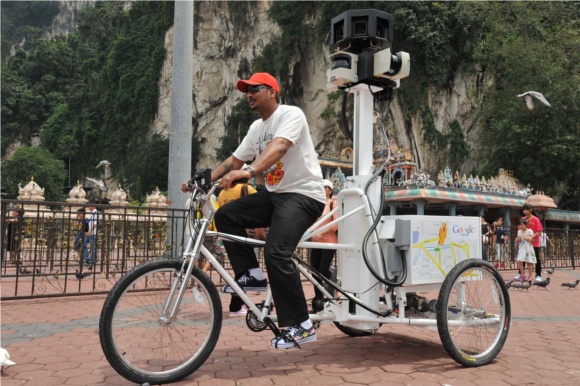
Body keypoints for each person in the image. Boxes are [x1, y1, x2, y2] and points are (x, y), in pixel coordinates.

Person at [184, 72, 325, 349]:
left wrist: (247, 171)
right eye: (246, 90)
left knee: (276, 252)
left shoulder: (291, 115)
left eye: (255, 89)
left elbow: (280, 146)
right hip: (275, 196)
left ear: (273, 91)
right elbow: (233, 160)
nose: (248, 94)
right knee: (225, 216)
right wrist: (199, 181)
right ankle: (252, 274)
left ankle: (302, 325)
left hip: (303, 195)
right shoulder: (255, 128)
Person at [216, 180, 266, 318]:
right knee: (244, 270)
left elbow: (219, 211)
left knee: (240, 268)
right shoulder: (246, 188)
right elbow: (261, 208)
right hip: (241, 232)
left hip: (226, 232)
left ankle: (239, 304)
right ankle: (235, 306)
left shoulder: (221, 193)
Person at [310, 179, 338, 312]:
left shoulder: (333, 203)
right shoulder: (316, 204)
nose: (322, 189)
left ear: (330, 190)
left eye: (324, 187)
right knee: (313, 269)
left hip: (329, 242)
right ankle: (319, 297)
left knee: (323, 268)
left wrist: (322, 233)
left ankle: (332, 280)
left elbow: (337, 223)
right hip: (316, 241)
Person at [513, 203, 543, 281]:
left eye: (526, 210)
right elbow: (519, 229)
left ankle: (538, 274)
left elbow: (539, 231)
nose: (525, 211)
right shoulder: (523, 219)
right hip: (524, 243)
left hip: (534, 242)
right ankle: (521, 274)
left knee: (535, 258)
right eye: (524, 210)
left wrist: (531, 237)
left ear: (531, 210)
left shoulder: (536, 219)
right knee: (522, 258)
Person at [85, 204, 99, 268]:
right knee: (84, 244)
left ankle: (92, 260)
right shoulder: (91, 213)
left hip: (92, 233)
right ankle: (88, 259)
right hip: (89, 232)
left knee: (93, 247)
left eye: (90, 205)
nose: (89, 207)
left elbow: (95, 224)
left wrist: (90, 231)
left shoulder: (96, 213)